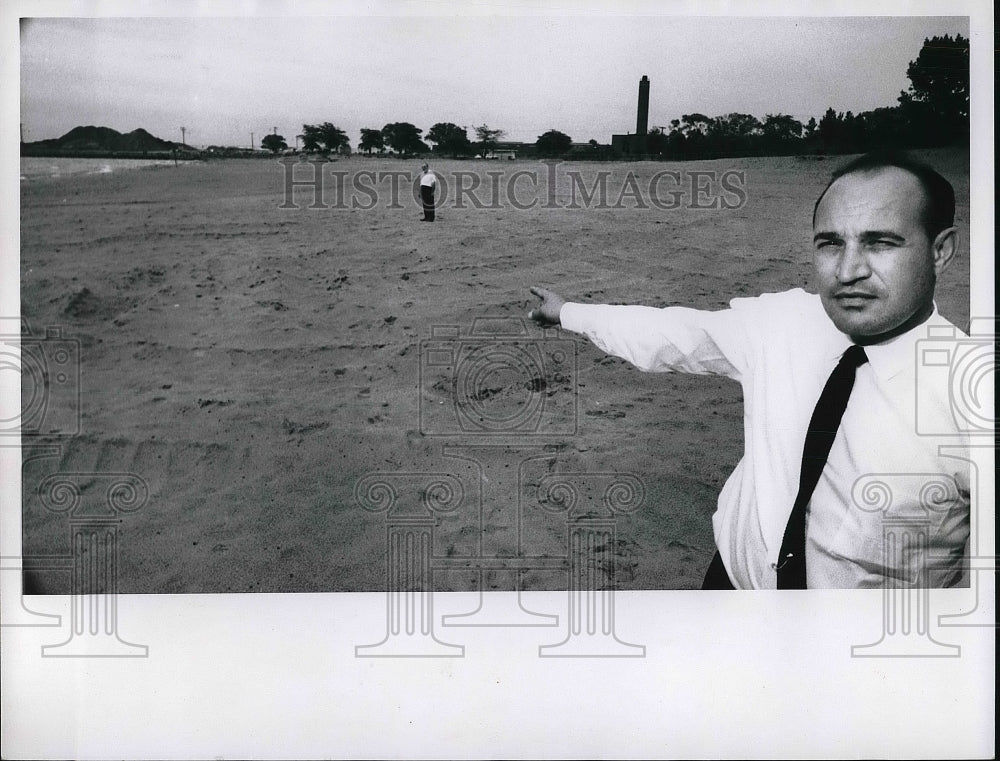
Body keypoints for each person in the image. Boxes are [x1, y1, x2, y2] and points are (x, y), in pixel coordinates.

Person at [529, 151, 971, 589]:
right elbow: (673, 334)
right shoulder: (781, 322)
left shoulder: (972, 395)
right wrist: (568, 312)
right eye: (831, 242)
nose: (848, 270)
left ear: (940, 252)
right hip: (730, 591)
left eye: (881, 242)